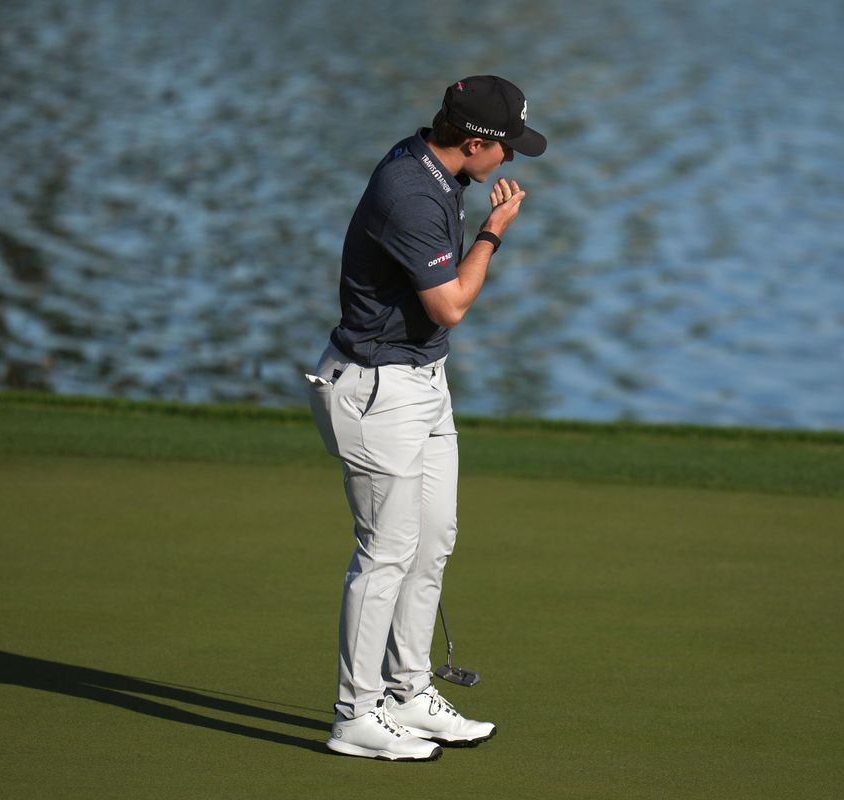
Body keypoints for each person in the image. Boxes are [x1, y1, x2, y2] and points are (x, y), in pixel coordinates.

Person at [306, 75, 546, 762]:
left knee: (432, 541)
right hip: (376, 393)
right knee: (385, 555)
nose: (510, 158)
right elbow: (451, 306)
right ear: (472, 143)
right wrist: (493, 234)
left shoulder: (439, 169)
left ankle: (408, 691)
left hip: (422, 383)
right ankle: (356, 715)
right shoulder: (411, 193)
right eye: (505, 147)